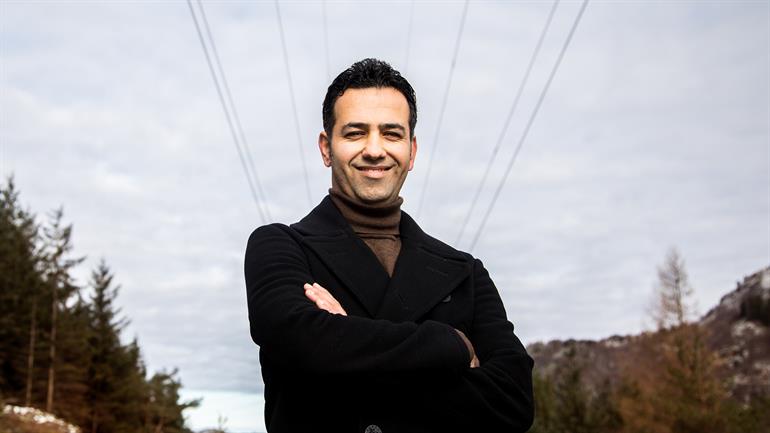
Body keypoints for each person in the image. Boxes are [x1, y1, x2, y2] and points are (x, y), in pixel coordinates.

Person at [244, 58, 534, 433]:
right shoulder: (280, 246)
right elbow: (298, 341)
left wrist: (343, 349)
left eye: (391, 134)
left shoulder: (465, 273)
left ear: (411, 151)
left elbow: (513, 402)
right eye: (355, 133)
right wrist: (452, 346)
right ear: (326, 148)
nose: (374, 149)